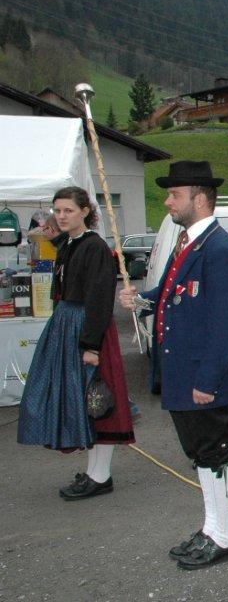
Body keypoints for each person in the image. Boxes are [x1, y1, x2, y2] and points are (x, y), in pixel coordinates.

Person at [119, 160, 228, 569]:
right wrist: (142, 300)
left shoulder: (220, 250)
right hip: (183, 370)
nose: (168, 202)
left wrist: (208, 380)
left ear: (200, 198)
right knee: (200, 455)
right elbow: (170, 292)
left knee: (216, 453)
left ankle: (226, 537)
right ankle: (212, 527)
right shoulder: (189, 244)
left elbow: (226, 326)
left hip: (203, 375)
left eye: (175, 195)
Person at [18, 186, 135, 500]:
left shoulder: (94, 247)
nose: (61, 216)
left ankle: (101, 475)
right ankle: (95, 472)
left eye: (68, 210)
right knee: (83, 404)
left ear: (85, 211)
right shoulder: (73, 243)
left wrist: (91, 346)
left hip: (87, 329)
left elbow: (99, 298)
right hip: (70, 326)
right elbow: (70, 264)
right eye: (57, 210)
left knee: (97, 401)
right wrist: (56, 237)